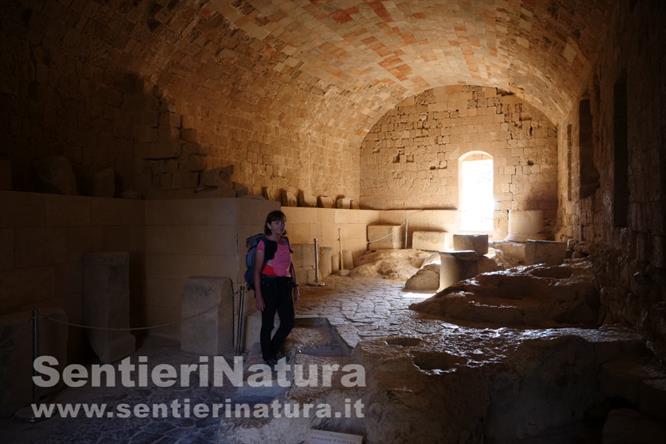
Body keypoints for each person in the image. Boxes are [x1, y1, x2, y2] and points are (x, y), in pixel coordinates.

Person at [253, 210, 300, 365]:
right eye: (277, 223)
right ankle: (268, 356)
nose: (281, 225)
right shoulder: (263, 243)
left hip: (285, 286)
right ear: (269, 225)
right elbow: (257, 270)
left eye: (282, 222)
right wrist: (258, 296)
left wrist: (296, 287)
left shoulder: (285, 241)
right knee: (267, 324)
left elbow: (291, 265)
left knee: (288, 322)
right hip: (269, 286)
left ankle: (271, 350)